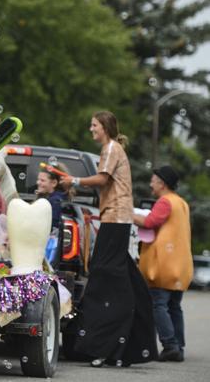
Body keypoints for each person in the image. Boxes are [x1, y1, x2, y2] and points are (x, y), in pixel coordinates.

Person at [62, 111, 157, 367]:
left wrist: (75, 179)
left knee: (104, 277)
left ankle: (105, 344)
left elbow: (102, 179)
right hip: (115, 217)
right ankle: (130, 346)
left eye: (93, 125)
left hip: (115, 218)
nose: (90, 129)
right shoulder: (113, 148)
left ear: (104, 127)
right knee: (124, 280)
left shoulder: (111, 148)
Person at [133, 165, 193, 362]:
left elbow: (150, 222)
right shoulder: (181, 203)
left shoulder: (165, 202)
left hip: (163, 265)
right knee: (175, 306)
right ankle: (178, 346)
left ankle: (170, 345)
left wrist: (128, 214)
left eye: (153, 180)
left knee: (159, 304)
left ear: (162, 183)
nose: (151, 183)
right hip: (180, 265)